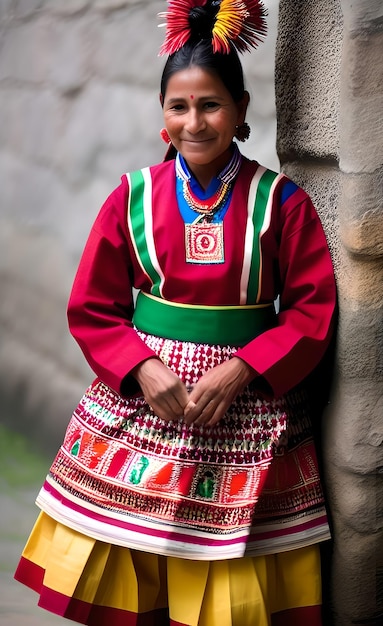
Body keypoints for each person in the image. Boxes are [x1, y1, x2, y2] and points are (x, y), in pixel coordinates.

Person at [14, 1, 337, 625]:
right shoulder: (132, 199)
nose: (195, 122)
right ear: (163, 117)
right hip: (148, 403)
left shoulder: (282, 204)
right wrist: (140, 369)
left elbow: (310, 310)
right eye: (179, 107)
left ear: (241, 111)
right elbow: (94, 307)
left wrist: (243, 368)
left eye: (211, 105)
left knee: (230, 584)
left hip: (245, 406)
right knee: (139, 569)